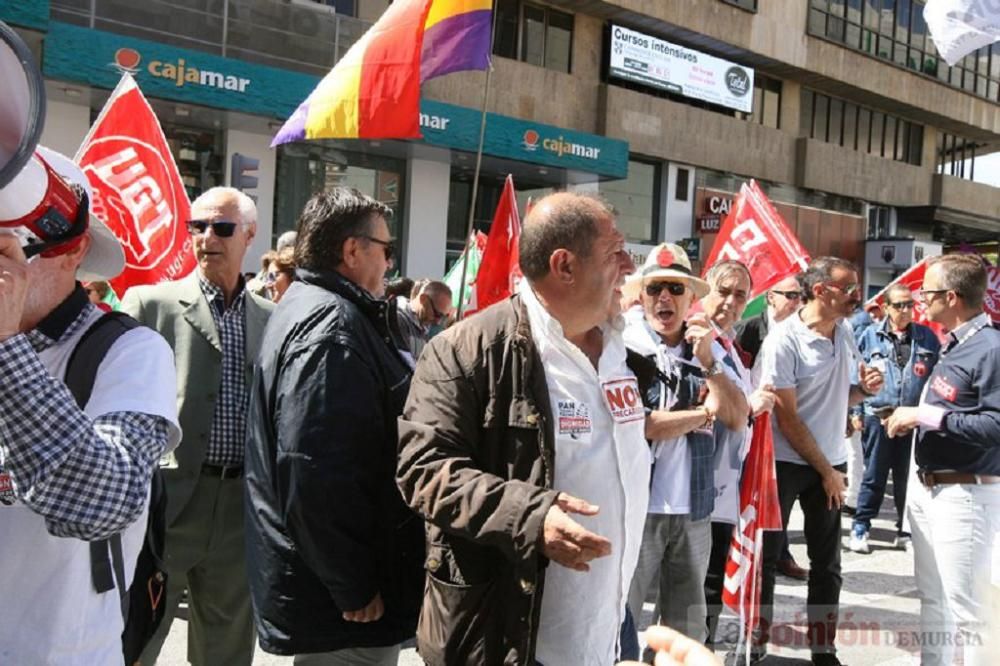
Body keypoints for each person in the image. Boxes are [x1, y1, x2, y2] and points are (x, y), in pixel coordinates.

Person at [396, 192, 645, 665]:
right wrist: (532, 517)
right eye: (616, 252)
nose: (630, 267)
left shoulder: (620, 350)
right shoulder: (465, 352)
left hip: (606, 633)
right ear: (564, 265)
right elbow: (424, 470)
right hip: (509, 637)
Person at [0, 147, 180, 664]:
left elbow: (101, 505)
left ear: (74, 249)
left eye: (11, 252)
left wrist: (7, 348)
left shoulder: (131, 352)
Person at [245, 188, 423, 664]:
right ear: (351, 250)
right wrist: (353, 585)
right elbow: (316, 472)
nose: (389, 263)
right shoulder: (331, 327)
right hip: (342, 609)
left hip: (331, 594)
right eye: (385, 249)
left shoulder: (319, 308)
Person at [122, 186, 274, 665]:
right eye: (198, 226)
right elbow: (119, 398)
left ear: (248, 235)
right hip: (166, 502)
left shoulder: (272, 318)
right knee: (135, 638)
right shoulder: (150, 304)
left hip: (238, 511)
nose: (207, 237)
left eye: (222, 228)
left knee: (227, 650)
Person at [756, 257, 884, 665]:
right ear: (820, 291)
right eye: (848, 289)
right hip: (785, 464)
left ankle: (823, 649)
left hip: (830, 464)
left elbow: (838, 398)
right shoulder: (784, 340)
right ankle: (754, 645)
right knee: (767, 560)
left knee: (827, 564)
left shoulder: (845, 330)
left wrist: (862, 392)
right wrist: (827, 471)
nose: (856, 296)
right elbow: (787, 416)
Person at [622, 244, 749, 645]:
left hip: (694, 509)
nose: (665, 297)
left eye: (676, 289)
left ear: (692, 298)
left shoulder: (704, 349)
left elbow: (738, 415)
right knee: (618, 620)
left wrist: (710, 361)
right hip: (637, 508)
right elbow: (640, 425)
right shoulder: (622, 347)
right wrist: (702, 416)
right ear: (641, 295)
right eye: (656, 287)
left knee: (685, 632)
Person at [883, 254, 1000, 666]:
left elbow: (995, 426)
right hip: (932, 489)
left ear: (951, 297)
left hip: (966, 493)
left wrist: (925, 416)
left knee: (971, 612)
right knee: (935, 601)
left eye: (926, 293)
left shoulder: (991, 349)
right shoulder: (956, 343)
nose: (919, 300)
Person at [698, 260, 777, 649]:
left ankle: (704, 652)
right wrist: (751, 404)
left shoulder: (730, 345)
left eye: (740, 295)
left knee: (710, 588)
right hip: (698, 489)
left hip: (728, 486)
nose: (730, 302)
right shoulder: (696, 339)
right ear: (705, 290)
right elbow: (721, 410)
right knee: (696, 590)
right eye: (723, 291)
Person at [849, 284, 940, 553]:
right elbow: (858, 374)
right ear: (886, 308)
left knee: (906, 477)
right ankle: (861, 526)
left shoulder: (926, 337)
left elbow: (936, 376)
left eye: (909, 305)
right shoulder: (870, 336)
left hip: (912, 418)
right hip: (879, 415)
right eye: (898, 305)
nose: (905, 310)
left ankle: (904, 531)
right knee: (874, 475)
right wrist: (855, 412)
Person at [735, 275, 808, 580]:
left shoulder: (800, 331)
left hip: (786, 422)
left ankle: (779, 554)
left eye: (800, 296)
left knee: (778, 498)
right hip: (752, 420)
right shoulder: (751, 329)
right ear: (770, 297)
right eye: (789, 295)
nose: (796, 302)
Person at [396, 279, 453, 360]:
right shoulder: (399, 318)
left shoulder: (424, 326)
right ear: (423, 299)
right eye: (437, 314)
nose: (438, 322)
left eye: (444, 317)